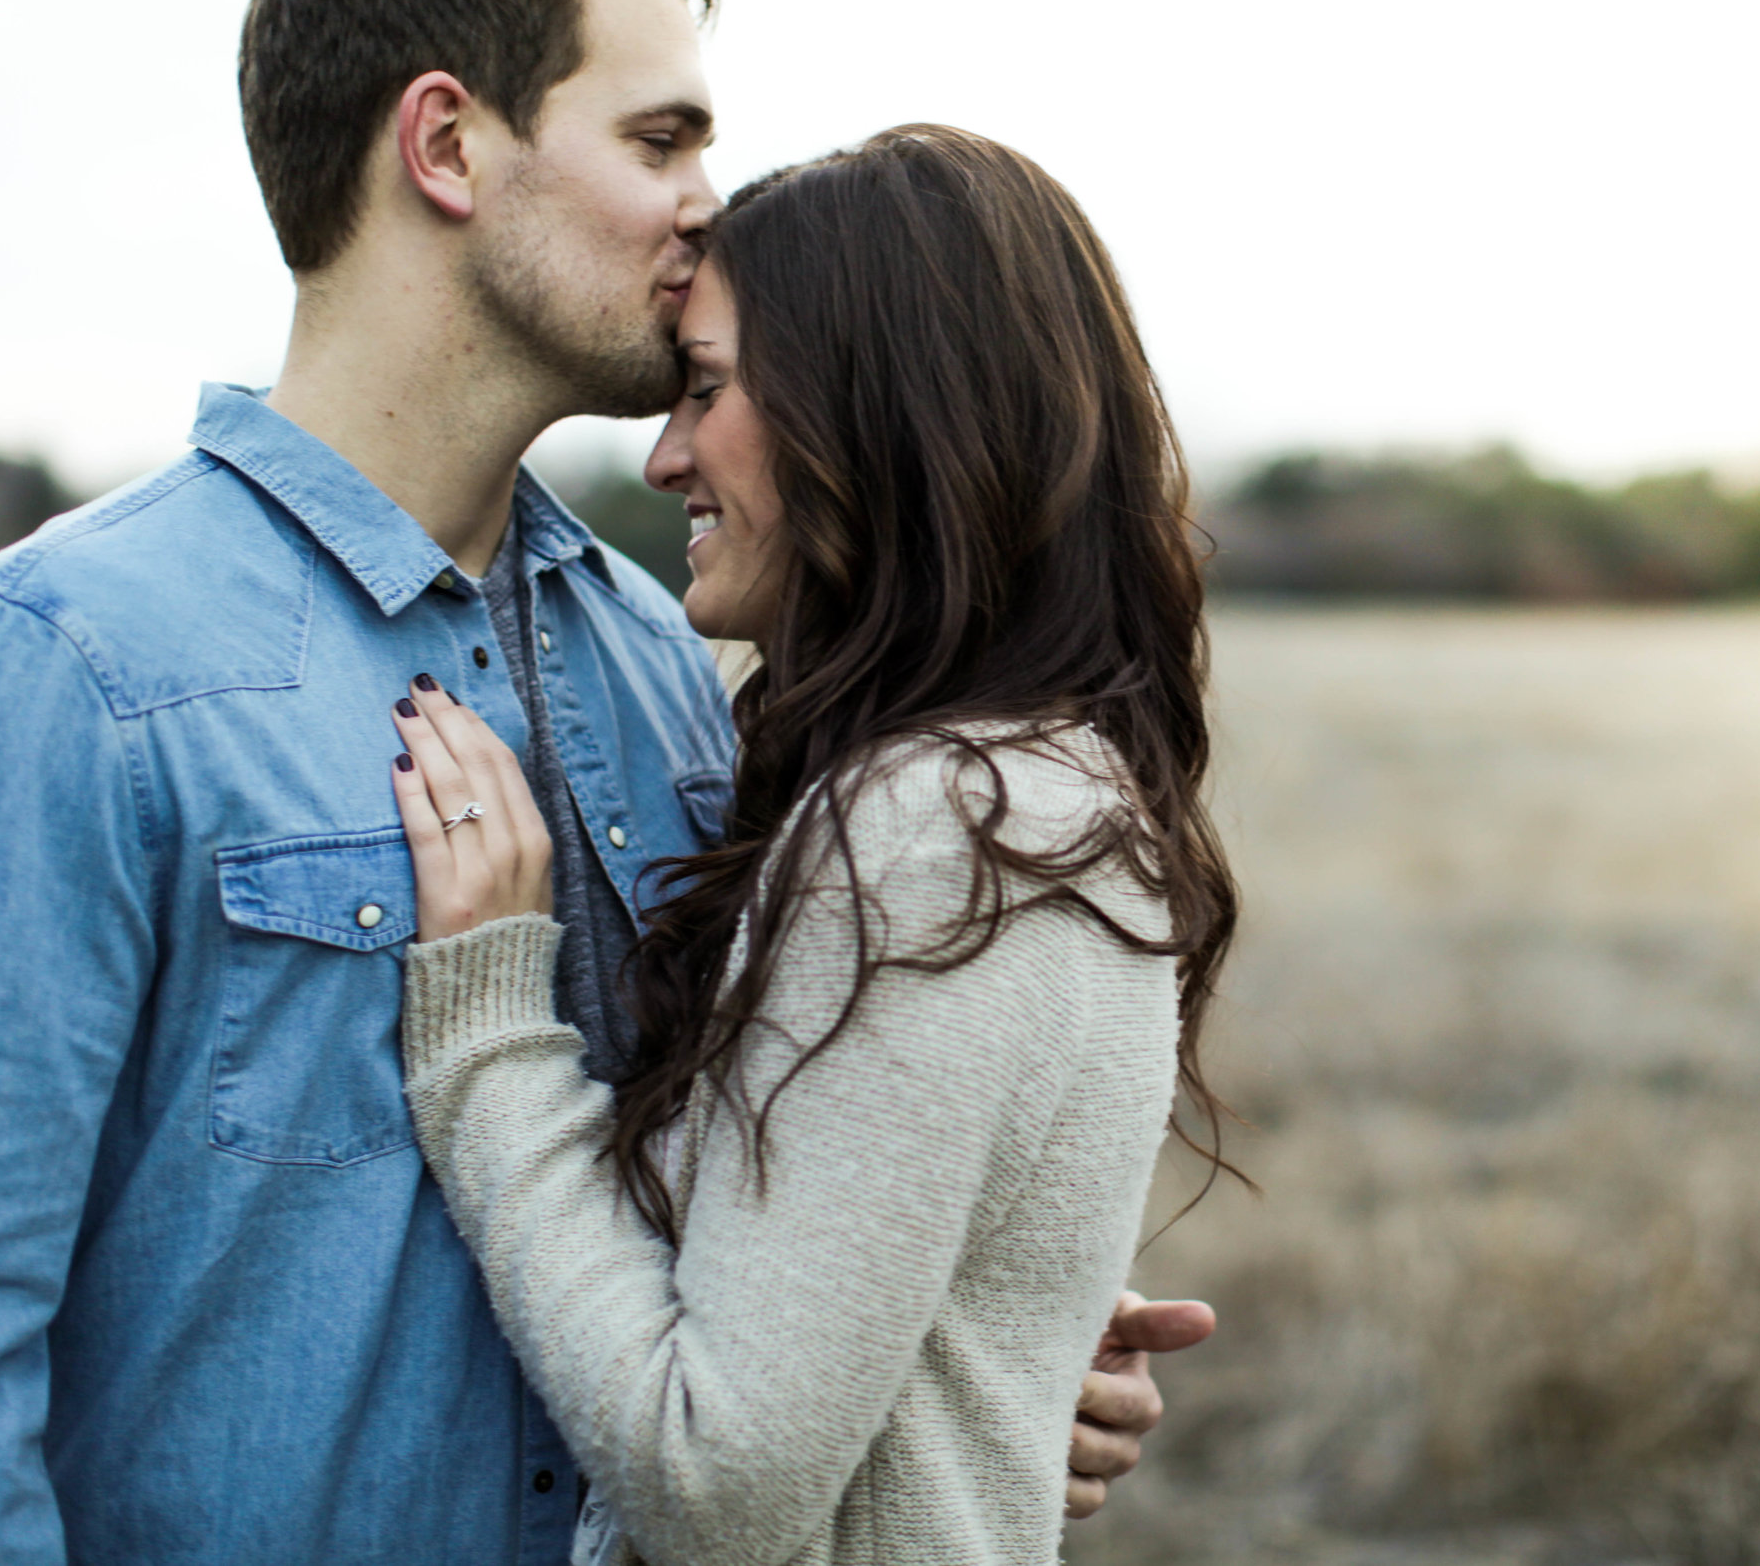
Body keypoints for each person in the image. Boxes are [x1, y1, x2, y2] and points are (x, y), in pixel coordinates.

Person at [0, 0, 1206, 1562]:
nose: (711, 203)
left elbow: (724, 1266)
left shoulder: (665, 667)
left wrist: (956, 1348)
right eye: (660, 138)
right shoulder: (65, 668)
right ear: (445, 144)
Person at [378, 125, 1241, 1565]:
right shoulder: (1044, 785)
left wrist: (484, 1028)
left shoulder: (939, 823)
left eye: (707, 389)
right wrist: (1000, 1371)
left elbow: (716, 1486)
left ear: (877, 412)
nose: (663, 456)